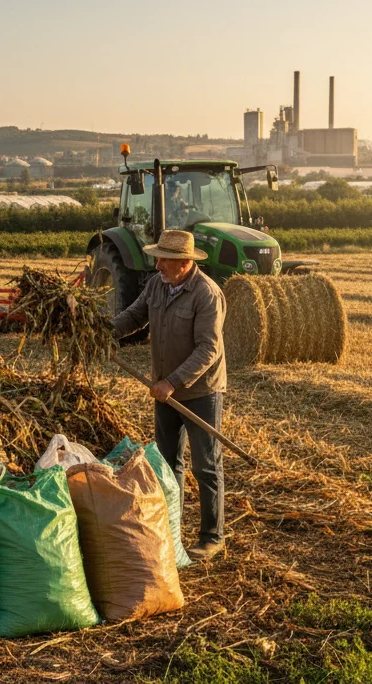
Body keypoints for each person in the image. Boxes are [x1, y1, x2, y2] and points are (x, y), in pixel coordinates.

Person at [112, 229, 227, 561]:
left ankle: (212, 537)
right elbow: (135, 316)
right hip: (163, 389)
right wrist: (105, 332)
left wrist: (173, 382)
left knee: (205, 465)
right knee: (167, 463)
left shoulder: (206, 294)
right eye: (158, 257)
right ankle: (172, 531)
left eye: (164, 259)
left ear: (184, 262)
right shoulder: (156, 285)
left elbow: (209, 349)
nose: (157, 264)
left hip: (200, 391)